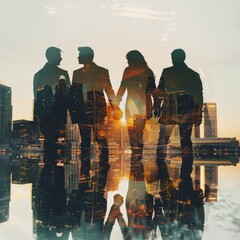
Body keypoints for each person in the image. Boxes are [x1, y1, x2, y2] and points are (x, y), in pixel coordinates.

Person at [154, 48, 203, 180]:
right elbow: (199, 96)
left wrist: (157, 107)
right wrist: (198, 114)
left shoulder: (167, 72)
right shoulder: (193, 74)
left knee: (163, 138)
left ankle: (160, 163)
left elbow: (160, 90)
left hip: (170, 107)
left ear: (174, 58)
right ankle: (186, 170)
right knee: (185, 139)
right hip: (186, 108)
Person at [72, 46, 117, 186]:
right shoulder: (99, 71)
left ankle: (90, 169)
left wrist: (115, 107)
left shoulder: (82, 73)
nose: (77, 57)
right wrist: (115, 107)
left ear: (87, 56)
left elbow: (109, 90)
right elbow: (109, 91)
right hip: (92, 108)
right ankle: (98, 167)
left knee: (93, 138)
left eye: (79, 54)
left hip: (90, 108)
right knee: (96, 138)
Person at [116, 50, 156, 172]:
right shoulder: (143, 71)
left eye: (129, 60)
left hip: (136, 107)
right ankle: (137, 163)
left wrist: (116, 103)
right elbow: (122, 88)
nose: (127, 62)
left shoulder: (130, 71)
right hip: (136, 107)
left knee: (136, 136)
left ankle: (136, 162)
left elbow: (150, 92)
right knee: (135, 136)